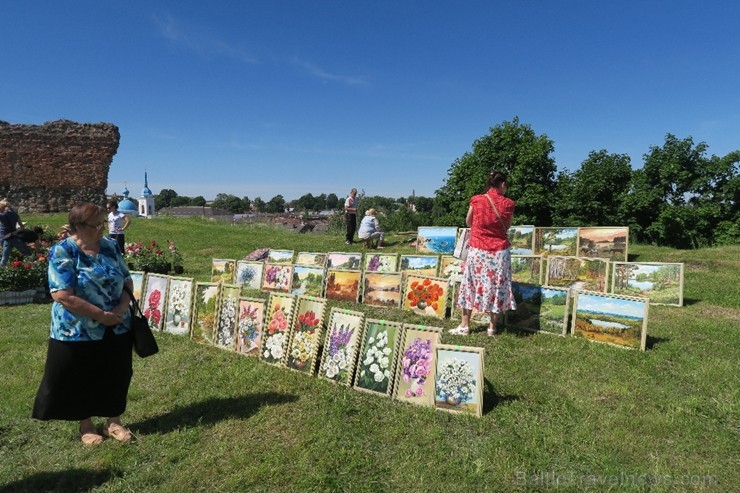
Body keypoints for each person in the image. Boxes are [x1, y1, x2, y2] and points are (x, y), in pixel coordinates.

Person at [32, 203, 136, 445]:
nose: (101, 228)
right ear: (77, 226)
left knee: (116, 372)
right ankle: (86, 425)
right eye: (95, 224)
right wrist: (101, 315)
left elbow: (127, 280)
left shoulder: (109, 246)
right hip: (77, 329)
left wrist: (119, 310)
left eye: (103, 223)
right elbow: (62, 294)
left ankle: (114, 421)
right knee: (81, 375)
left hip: (116, 324)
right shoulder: (63, 251)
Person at [450, 171, 516, 336]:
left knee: (470, 285)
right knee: (498, 287)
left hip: (478, 250)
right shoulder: (509, 204)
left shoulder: (477, 200)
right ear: (502, 184)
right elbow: (506, 226)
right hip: (500, 251)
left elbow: (468, 221)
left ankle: (465, 325)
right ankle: (492, 327)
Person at [0, 199, 33, 266]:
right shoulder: (15, 214)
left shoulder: (2, 215)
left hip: (6, 238)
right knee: (28, 253)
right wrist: (17, 232)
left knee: (4, 258)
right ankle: (34, 266)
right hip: (14, 237)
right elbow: (22, 227)